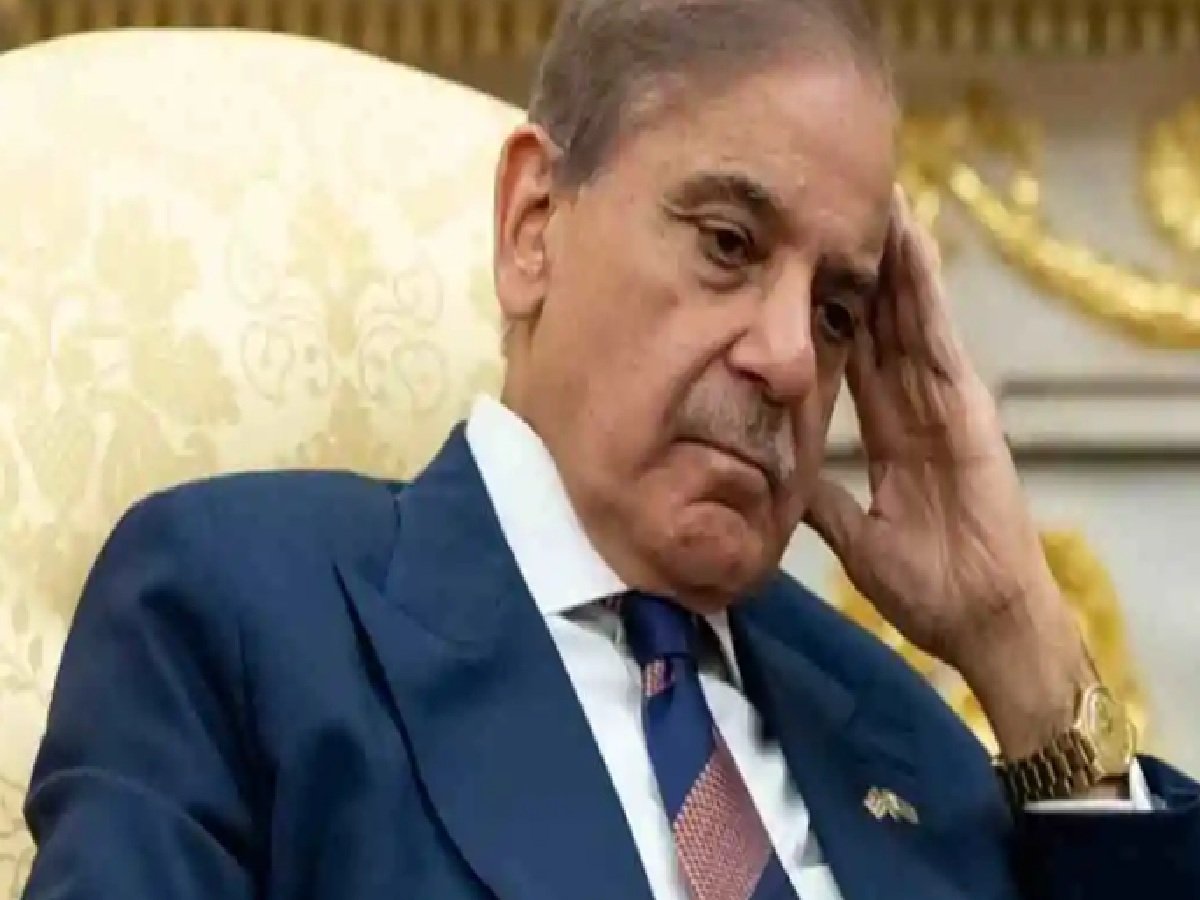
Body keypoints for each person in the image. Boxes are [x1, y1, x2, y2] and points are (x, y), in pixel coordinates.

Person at [21, 0, 1200, 898]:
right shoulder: (242, 613)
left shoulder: (901, 737)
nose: (792, 359)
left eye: (838, 308)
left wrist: (1023, 646)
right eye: (729, 244)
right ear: (534, 224)